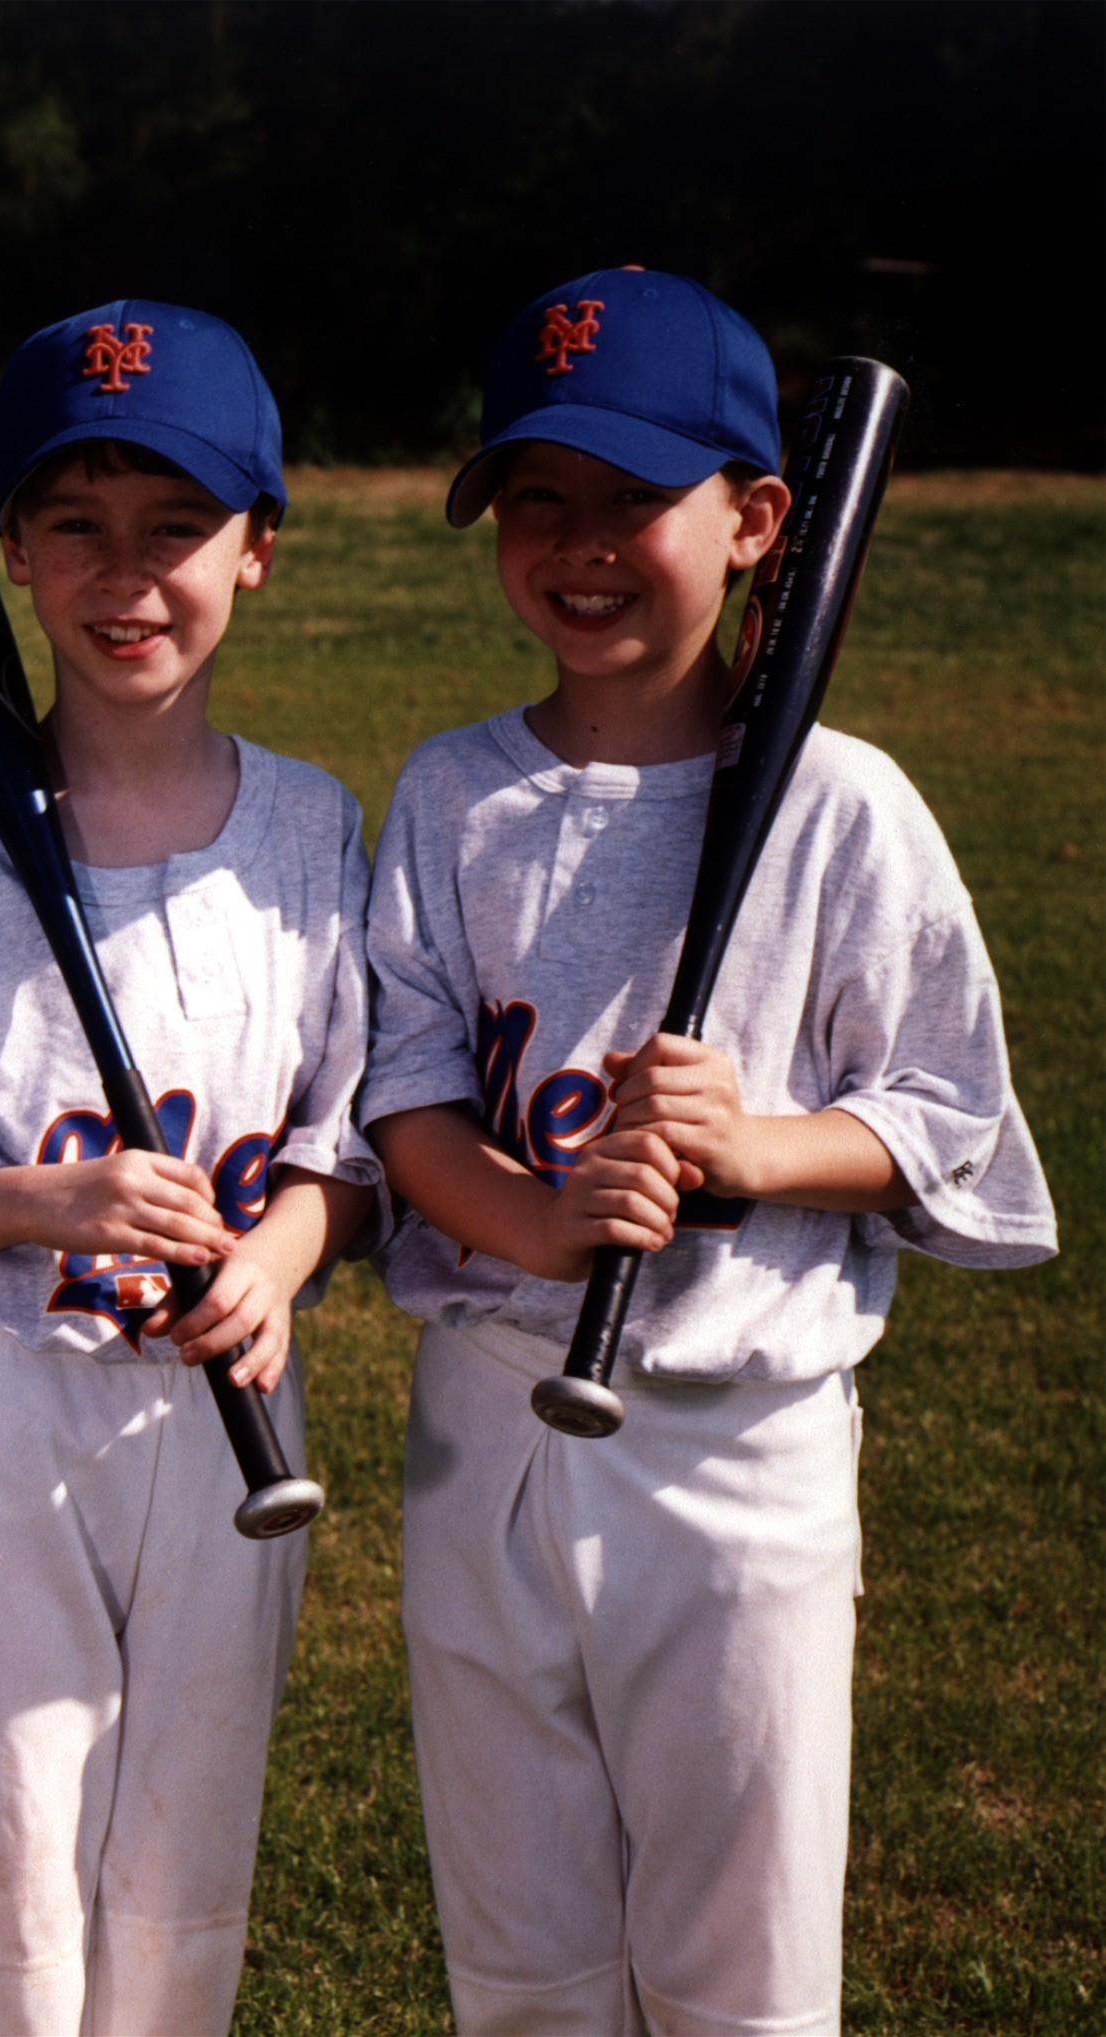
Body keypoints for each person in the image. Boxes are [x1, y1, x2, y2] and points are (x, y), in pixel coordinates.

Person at [360, 266, 1056, 2037]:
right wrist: (531, 1222)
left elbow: (942, 1119)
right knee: (521, 1962)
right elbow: (405, 1094)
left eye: (633, 501)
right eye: (538, 500)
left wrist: (752, 1148)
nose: (580, 545)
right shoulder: (454, 794)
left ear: (759, 522)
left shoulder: (845, 805)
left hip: (737, 1456)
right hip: (492, 1427)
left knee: (739, 1970)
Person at [0, 298, 380, 2037]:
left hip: (225, 1440)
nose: (128, 580)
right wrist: (43, 1200)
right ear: (18, 556)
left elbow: (353, 1147)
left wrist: (276, 1261)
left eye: (176, 530)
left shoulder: (311, 833)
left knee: (177, 1911)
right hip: (3, 1428)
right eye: (78, 529)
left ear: (258, 549)